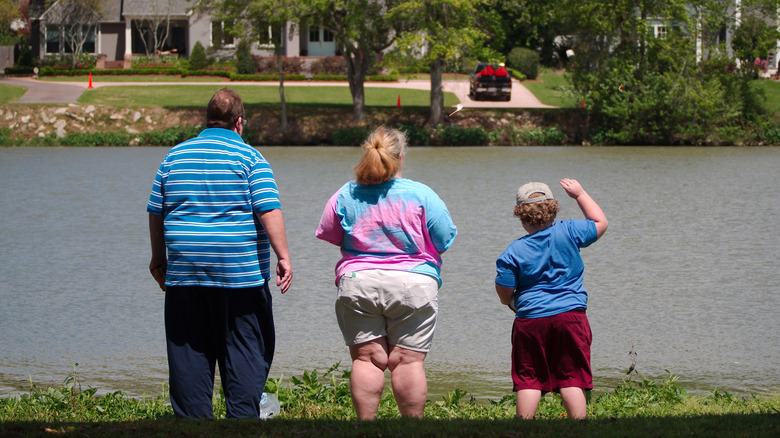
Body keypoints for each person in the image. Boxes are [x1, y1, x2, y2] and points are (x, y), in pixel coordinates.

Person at [147, 87, 292, 419]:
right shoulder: (251, 158)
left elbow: (156, 210)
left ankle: (193, 421)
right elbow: (268, 209)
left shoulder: (173, 158)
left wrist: (158, 258)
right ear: (239, 123)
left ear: (207, 120)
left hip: (185, 276)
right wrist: (283, 255)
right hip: (240, 278)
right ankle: (242, 417)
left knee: (189, 355)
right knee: (245, 352)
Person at [316, 127, 457, 419]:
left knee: (367, 360)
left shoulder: (346, 193)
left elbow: (330, 233)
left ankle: (366, 426)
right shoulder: (421, 194)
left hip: (358, 282)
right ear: (400, 158)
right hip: (414, 282)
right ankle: (411, 427)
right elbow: (444, 240)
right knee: (408, 362)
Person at [495, 179, 607, 420]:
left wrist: (511, 303)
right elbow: (600, 222)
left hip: (530, 321)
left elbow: (504, 289)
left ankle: (523, 425)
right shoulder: (569, 231)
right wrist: (580, 194)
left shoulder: (512, 252)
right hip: (571, 317)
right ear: (553, 210)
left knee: (529, 380)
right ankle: (578, 424)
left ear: (521, 217)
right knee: (572, 377)